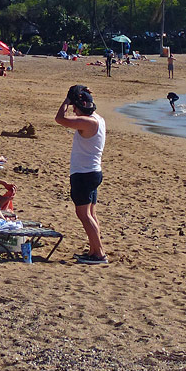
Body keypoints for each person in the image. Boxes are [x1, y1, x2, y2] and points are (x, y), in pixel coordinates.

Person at [55, 85, 108, 265]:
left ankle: (99, 253)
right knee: (90, 213)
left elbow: (59, 119)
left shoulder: (89, 122)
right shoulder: (98, 119)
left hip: (84, 174)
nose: (74, 111)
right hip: (91, 172)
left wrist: (67, 101)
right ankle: (94, 250)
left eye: (76, 108)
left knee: (83, 214)